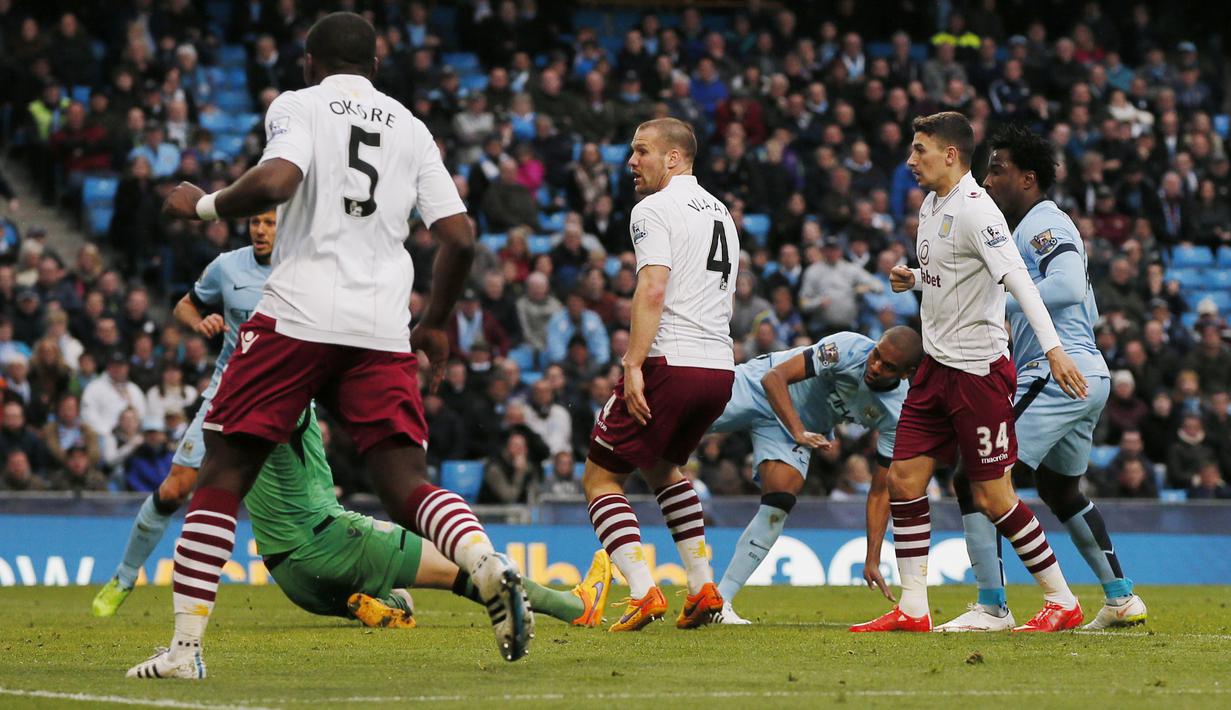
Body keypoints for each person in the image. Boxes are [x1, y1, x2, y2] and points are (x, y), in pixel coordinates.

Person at [127, 13, 530, 680]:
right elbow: (459, 237)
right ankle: (486, 562)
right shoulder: (410, 125)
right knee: (405, 484)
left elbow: (277, 183)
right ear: (374, 63)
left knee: (223, 471)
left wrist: (203, 206)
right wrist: (434, 322)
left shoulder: (299, 105)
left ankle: (185, 652)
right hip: (380, 324)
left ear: (311, 61)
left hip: (296, 313)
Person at [851, 112, 1087, 634]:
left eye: (920, 151)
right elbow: (953, 274)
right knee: (904, 477)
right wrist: (914, 278)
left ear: (951, 154)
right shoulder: (932, 205)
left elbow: (1017, 280)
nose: (911, 161)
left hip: (979, 374)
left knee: (993, 496)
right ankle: (914, 607)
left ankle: (1061, 600)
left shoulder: (980, 212)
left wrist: (1053, 350)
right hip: (935, 368)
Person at [121, 407, 612, 648]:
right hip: (333, 539)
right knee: (466, 568)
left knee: (405, 599)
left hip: (289, 574)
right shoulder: (282, 394)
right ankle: (577, 607)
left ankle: (384, 608)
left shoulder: (224, 415)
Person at [938, 124, 1146, 631]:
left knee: (974, 474)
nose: (987, 180)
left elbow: (1071, 285)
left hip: (1057, 370)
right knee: (1060, 488)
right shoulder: (1020, 230)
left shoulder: (1043, 224)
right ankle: (1120, 599)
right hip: (1083, 374)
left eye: (998, 169)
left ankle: (992, 605)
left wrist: (996, 301)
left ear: (1028, 178)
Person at [583, 117, 738, 632]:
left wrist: (633, 363)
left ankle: (643, 590)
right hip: (718, 368)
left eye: (641, 150)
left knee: (601, 477)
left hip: (670, 360)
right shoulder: (721, 212)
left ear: (673, 158)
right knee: (663, 468)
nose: (631, 160)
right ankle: (701, 587)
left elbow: (652, 287)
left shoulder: (653, 208)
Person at [91, 210, 276, 618]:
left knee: (306, 507)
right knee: (176, 488)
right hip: (227, 393)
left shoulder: (305, 269)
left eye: (270, 222)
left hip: (287, 401)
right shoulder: (228, 266)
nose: (260, 230)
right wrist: (201, 320)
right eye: (255, 222)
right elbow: (184, 306)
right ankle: (124, 576)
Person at [712, 328, 922, 624]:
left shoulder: (896, 414)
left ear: (906, 374)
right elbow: (774, 378)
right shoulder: (848, 348)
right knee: (678, 421)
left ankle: (719, 602)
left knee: (780, 499)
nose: (875, 367)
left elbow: (879, 491)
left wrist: (873, 556)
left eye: (888, 367)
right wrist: (798, 430)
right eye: (877, 356)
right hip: (761, 389)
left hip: (797, 429)